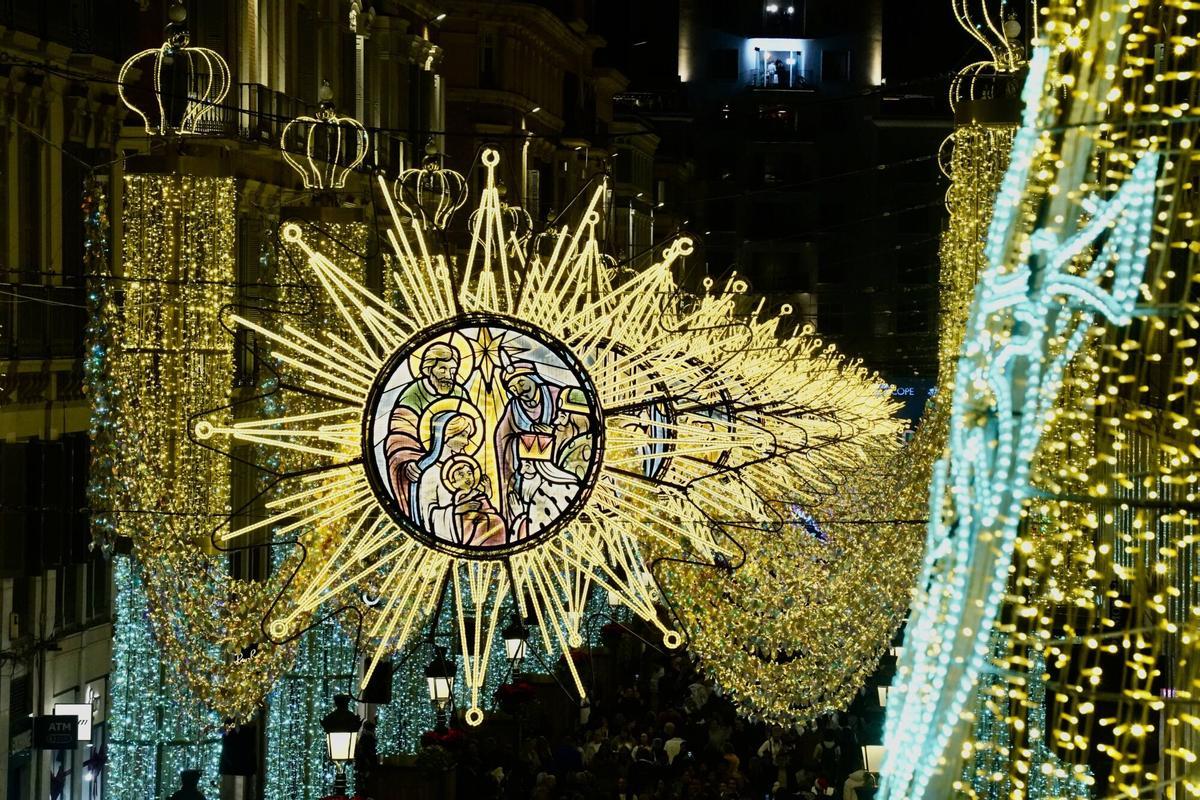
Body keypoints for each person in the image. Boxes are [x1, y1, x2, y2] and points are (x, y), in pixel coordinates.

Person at [385, 342, 467, 511]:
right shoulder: (412, 396)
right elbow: (399, 438)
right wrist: (409, 462)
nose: (449, 376)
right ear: (429, 369)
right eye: (443, 369)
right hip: (427, 470)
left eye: (452, 371)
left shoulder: (460, 394)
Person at [494, 362, 561, 517]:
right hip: (527, 475)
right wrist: (517, 442)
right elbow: (502, 439)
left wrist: (555, 434)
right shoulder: (514, 407)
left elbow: (579, 427)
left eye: (521, 382)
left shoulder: (556, 395)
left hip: (555, 472)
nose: (519, 390)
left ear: (533, 377)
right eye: (513, 389)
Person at [410, 408, 480, 530]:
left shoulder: (464, 468)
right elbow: (427, 515)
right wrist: (458, 510)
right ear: (447, 436)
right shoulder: (430, 474)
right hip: (445, 535)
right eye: (463, 436)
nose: (467, 442)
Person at [428, 454, 505, 547]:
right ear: (454, 483)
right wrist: (469, 499)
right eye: (461, 475)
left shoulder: (476, 491)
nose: (467, 477)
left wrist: (487, 490)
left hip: (485, 516)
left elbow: (485, 501)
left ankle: (494, 545)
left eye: (469, 473)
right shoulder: (460, 494)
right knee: (487, 523)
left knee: (497, 521)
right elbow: (459, 507)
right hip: (469, 522)